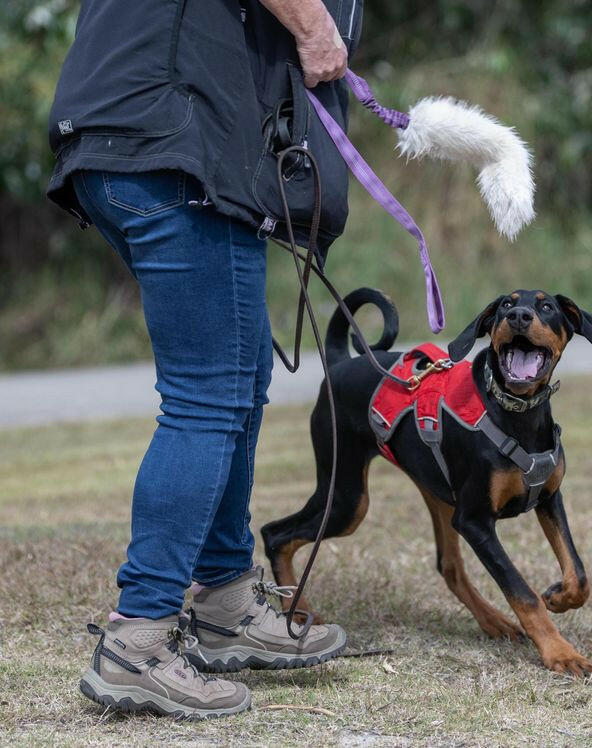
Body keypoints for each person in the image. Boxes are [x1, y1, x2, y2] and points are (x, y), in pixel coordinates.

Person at [47, 0, 361, 719]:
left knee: (239, 379)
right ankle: (140, 642)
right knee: (207, 399)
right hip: (174, 142)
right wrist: (313, 24)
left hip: (121, 137)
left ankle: (225, 602)